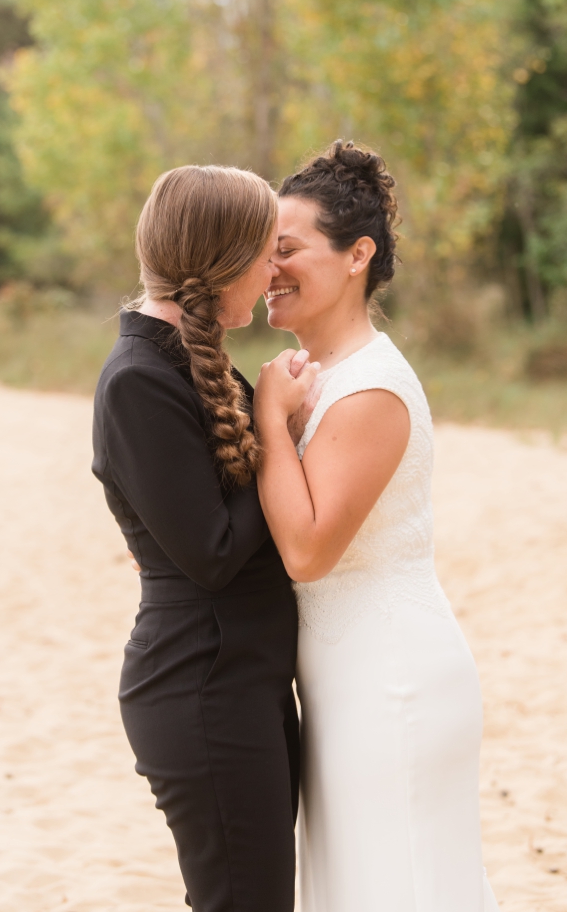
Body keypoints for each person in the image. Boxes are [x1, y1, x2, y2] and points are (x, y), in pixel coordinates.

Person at [252, 140, 499, 911]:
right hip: (341, 684)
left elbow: (305, 548)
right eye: (263, 254)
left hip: (394, 684)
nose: (268, 271)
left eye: (286, 249)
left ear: (358, 254)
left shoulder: (371, 391)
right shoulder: (314, 382)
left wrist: (264, 415)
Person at [91, 165, 299, 912]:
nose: (276, 269)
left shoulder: (190, 362)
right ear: (224, 265)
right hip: (201, 687)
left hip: (246, 680)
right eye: (267, 252)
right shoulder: (137, 381)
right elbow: (212, 554)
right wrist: (273, 422)